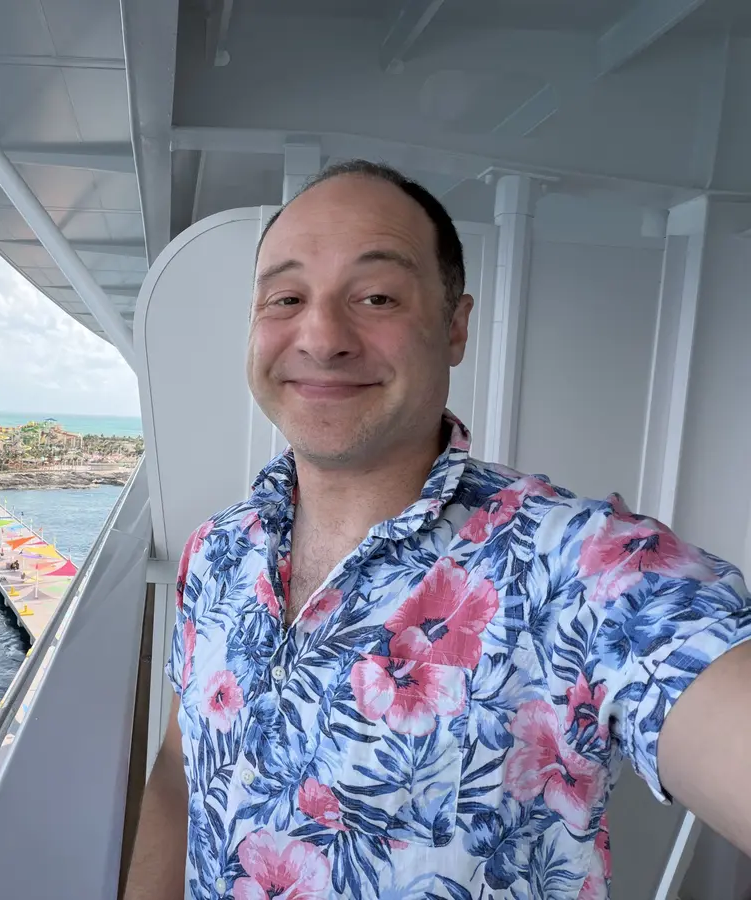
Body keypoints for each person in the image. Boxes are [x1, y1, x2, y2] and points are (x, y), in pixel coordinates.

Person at [124, 160, 751, 900]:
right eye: (286, 298)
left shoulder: (579, 566)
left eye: (377, 296)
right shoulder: (217, 550)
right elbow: (180, 772)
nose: (321, 337)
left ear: (455, 327)